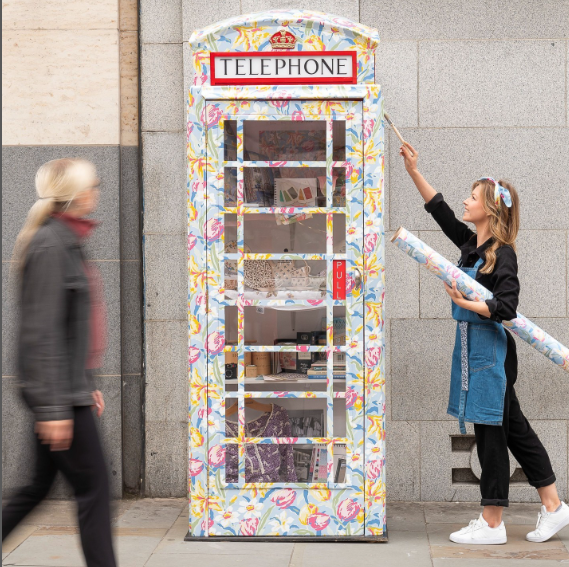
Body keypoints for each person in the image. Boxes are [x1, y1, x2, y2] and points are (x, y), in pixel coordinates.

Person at [400, 142, 569, 545]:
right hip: (471, 349)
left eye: (472, 196)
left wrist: (466, 302)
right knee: (515, 430)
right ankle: (554, 507)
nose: (464, 200)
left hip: (491, 354)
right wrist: (412, 170)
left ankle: (492, 522)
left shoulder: (502, 254)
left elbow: (507, 307)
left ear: (490, 209)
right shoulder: (469, 245)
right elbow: (438, 209)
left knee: (492, 432)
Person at [2, 158, 117, 567]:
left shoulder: (66, 240)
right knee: (95, 489)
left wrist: (87, 382)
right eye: (93, 185)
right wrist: (54, 407)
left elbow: (75, 329)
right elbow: (41, 333)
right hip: (58, 398)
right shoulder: (52, 245)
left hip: (67, 391)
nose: (97, 191)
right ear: (76, 194)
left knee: (36, 487)